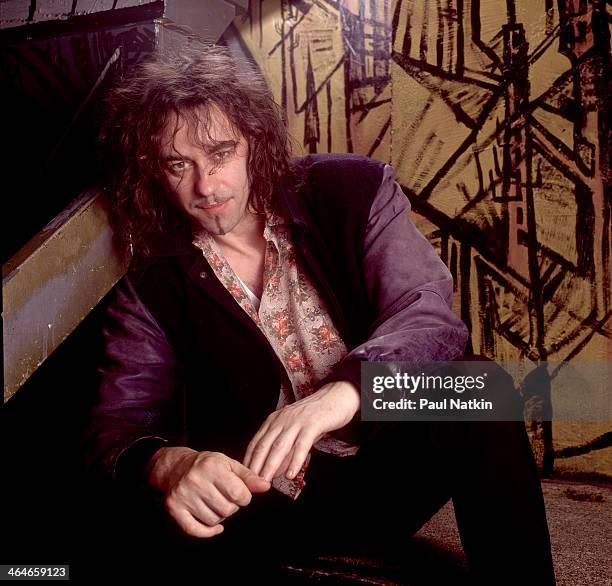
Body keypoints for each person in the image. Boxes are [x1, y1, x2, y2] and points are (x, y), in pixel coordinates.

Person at [82, 46, 555, 584]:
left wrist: (347, 391)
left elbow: (427, 314)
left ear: (253, 141)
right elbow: (116, 425)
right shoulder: (150, 276)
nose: (206, 186)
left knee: (480, 386)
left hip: (390, 471)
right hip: (263, 509)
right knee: (101, 541)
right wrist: (167, 464)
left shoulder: (352, 190)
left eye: (219, 153)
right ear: (155, 171)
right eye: (178, 164)